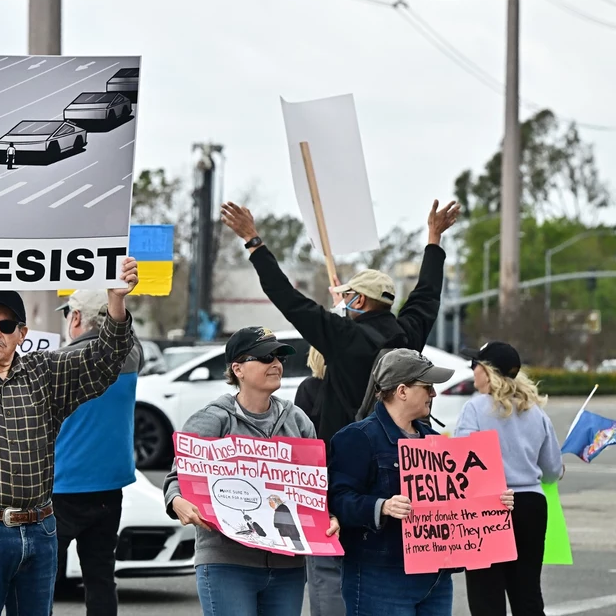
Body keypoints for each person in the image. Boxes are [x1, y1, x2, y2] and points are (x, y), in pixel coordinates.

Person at [220, 199, 458, 615]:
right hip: (398, 463)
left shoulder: (342, 336)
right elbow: (427, 294)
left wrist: (253, 242)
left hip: (345, 460)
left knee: (332, 569)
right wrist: (434, 240)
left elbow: (288, 300)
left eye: (348, 296)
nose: (342, 301)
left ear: (361, 302)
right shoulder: (408, 335)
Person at [0, 197, 138, 616]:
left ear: (22, 332)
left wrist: (116, 302)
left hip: (40, 530)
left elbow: (105, 360)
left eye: (6, 324)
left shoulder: (45, 372)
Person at [162, 326, 340, 616]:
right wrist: (176, 501)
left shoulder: (298, 421)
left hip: (288, 565)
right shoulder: (212, 419)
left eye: (278, 357)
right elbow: (176, 479)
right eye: (264, 357)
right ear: (238, 369)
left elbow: (317, 488)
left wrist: (329, 515)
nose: (276, 364)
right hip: (227, 563)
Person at [327, 348, 515, 616]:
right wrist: (382, 506)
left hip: (436, 578)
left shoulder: (435, 440)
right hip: (380, 577)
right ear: (402, 391)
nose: (434, 394)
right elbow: (338, 499)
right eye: (427, 387)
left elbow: (457, 499)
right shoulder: (358, 437)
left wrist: (494, 501)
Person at [454, 341, 564, 616]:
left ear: (487, 371)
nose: (472, 371)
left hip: (488, 507)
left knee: (486, 596)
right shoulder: (535, 410)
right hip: (531, 506)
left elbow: (462, 464)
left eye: (474, 365)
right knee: (527, 593)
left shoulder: (475, 408)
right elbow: (552, 470)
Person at [51, 289, 144, 615]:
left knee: (39, 580)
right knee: (100, 578)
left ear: (76, 318)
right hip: (108, 486)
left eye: (68, 315)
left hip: (61, 488)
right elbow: (121, 336)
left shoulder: (62, 361)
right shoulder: (131, 354)